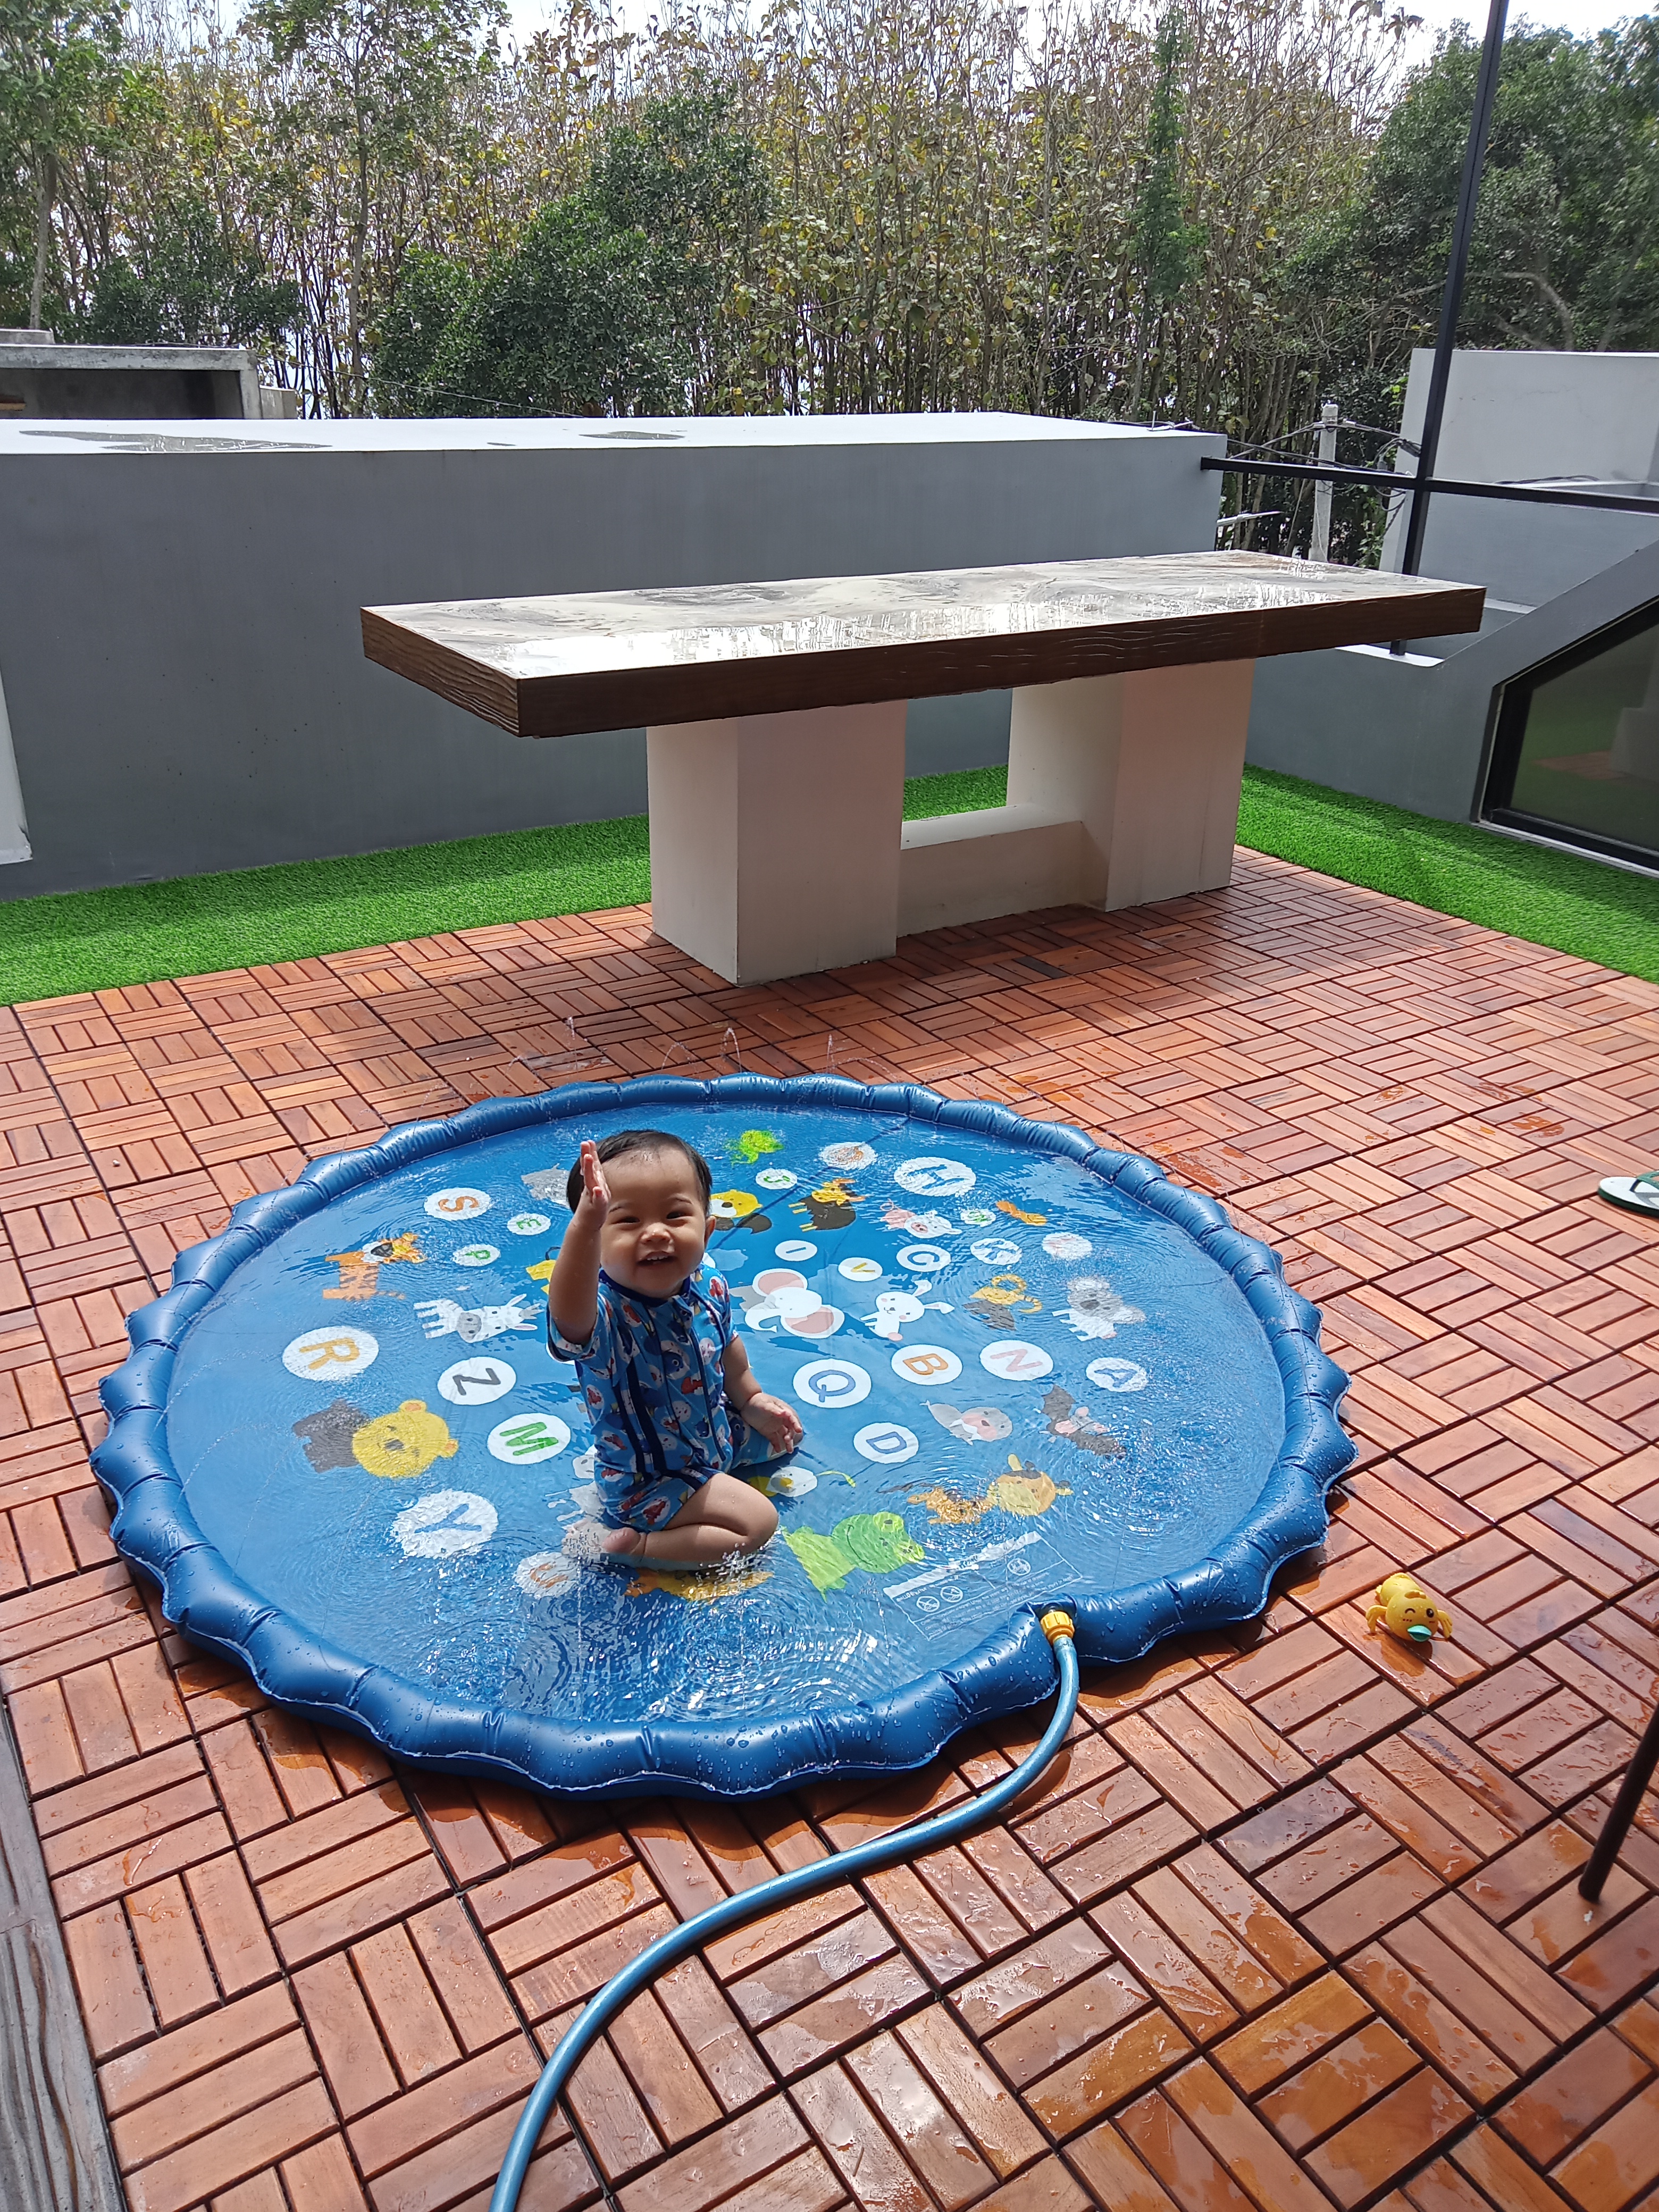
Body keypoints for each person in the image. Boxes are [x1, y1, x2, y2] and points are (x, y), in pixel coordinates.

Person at [547, 1128, 803, 1564]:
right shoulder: (602, 1316)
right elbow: (568, 1314)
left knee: (787, 1434)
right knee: (758, 1524)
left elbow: (727, 1347)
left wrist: (751, 1399)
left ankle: (721, 1466)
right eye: (627, 1221)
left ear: (707, 1231)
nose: (655, 1233)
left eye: (675, 1215)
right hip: (649, 1480)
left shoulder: (708, 1283)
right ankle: (636, 1548)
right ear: (594, 1248)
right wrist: (585, 1226)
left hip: (716, 1437)